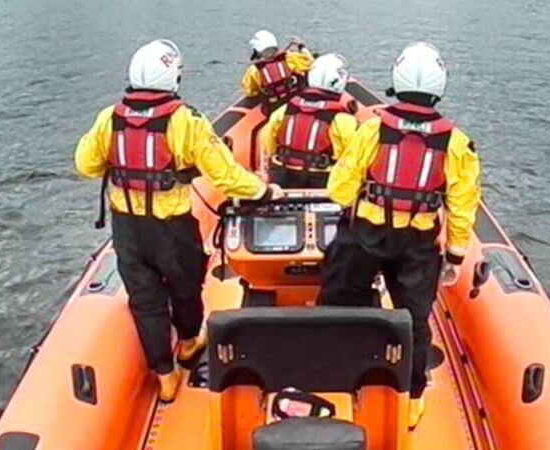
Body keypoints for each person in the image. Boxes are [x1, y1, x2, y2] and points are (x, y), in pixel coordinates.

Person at [74, 39, 283, 402]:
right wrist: (264, 192)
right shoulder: (186, 122)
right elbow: (226, 176)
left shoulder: (110, 118)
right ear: (173, 77)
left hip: (127, 228)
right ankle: (188, 343)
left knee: (146, 301)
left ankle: (164, 376)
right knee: (186, 286)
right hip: (171, 227)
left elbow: (85, 164)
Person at [317, 42, 481, 429]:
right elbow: (462, 203)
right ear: (439, 86)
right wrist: (456, 255)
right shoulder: (456, 144)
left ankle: (336, 372)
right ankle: (411, 397)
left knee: (339, 299)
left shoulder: (373, 129)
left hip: (364, 235)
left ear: (397, 81)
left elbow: (339, 189)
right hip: (418, 245)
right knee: (414, 318)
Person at [257, 54, 358, 188]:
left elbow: (266, 139)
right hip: (321, 179)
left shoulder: (286, 109)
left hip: (282, 175)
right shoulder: (343, 120)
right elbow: (351, 157)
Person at [240, 30, 314, 108]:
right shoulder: (290, 57)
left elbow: (249, 91)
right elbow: (311, 62)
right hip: (296, 103)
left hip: (274, 108)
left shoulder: (254, 70)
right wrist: (301, 46)